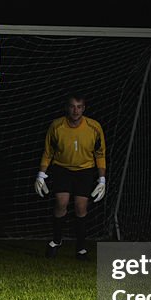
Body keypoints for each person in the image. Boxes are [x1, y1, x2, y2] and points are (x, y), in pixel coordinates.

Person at [34, 94, 107, 260]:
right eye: (73, 106)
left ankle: (81, 248)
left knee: (81, 207)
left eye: (79, 106)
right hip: (62, 169)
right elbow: (48, 152)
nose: (76, 110)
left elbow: (100, 154)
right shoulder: (56, 126)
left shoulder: (94, 127)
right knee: (61, 203)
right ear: (67, 108)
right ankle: (57, 240)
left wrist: (102, 179)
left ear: (84, 108)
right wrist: (41, 175)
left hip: (85, 170)